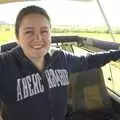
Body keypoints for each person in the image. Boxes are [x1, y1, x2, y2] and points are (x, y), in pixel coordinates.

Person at [0, 5, 120, 120]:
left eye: (44, 31)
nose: (38, 38)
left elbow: (88, 61)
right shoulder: (4, 64)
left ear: (50, 35)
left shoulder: (61, 58)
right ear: (17, 37)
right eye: (29, 32)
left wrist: (117, 53)